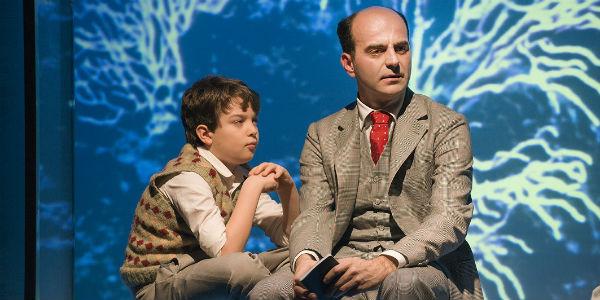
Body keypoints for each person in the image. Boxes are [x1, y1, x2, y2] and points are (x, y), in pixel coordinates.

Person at [249, 6, 482, 300]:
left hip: (422, 264)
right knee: (268, 292)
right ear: (349, 64)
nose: (394, 61)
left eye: (401, 48)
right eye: (376, 51)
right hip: (341, 261)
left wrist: (389, 261)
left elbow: (450, 217)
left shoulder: (447, 124)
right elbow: (314, 213)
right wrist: (307, 260)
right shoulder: (322, 133)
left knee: (403, 284)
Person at [119, 75, 300, 299]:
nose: (252, 130)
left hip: (209, 271)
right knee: (243, 268)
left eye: (254, 120)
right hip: (162, 282)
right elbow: (227, 254)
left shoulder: (240, 173)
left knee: (301, 254)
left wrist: (287, 189)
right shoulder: (187, 177)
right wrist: (252, 188)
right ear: (205, 134)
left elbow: (290, 238)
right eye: (238, 121)